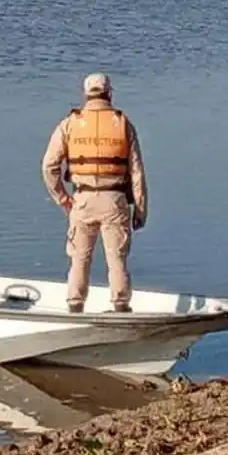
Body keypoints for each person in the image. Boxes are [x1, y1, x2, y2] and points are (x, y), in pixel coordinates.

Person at [41, 73, 148, 313]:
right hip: (115, 200)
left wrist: (63, 199)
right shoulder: (123, 123)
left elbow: (49, 167)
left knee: (79, 258)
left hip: (82, 199)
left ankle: (75, 306)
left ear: (86, 94)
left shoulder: (69, 124)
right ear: (109, 93)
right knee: (117, 259)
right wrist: (141, 209)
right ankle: (121, 306)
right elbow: (137, 172)